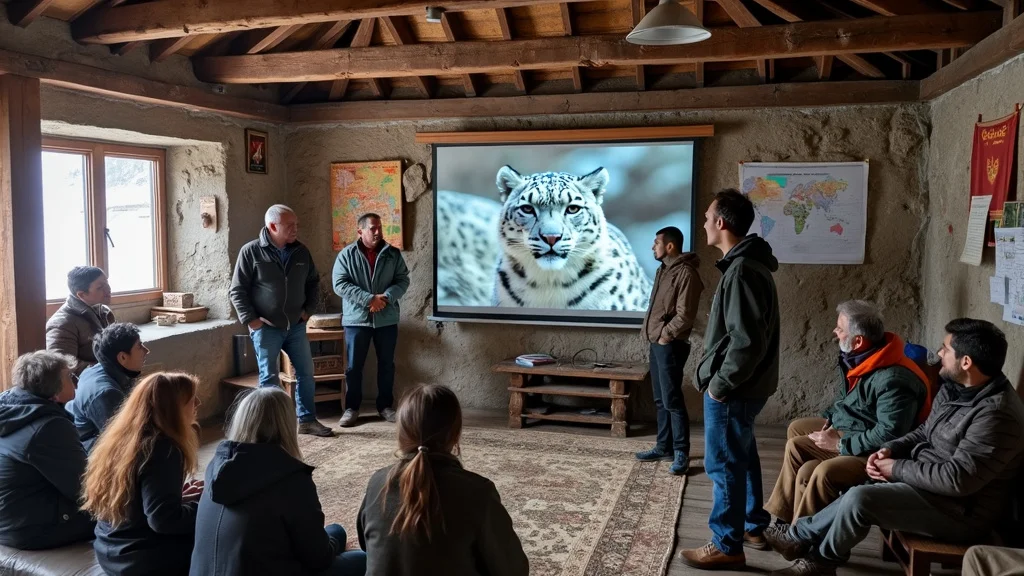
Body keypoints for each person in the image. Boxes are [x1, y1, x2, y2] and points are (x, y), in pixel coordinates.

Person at [766, 319, 1024, 576]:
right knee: (860, 487)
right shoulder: (958, 386)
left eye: (946, 349)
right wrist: (889, 449)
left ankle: (816, 557)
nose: (939, 353)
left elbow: (958, 480)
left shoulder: (997, 415)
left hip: (959, 512)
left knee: (860, 499)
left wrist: (896, 468)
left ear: (966, 362)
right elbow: (924, 431)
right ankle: (801, 540)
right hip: (927, 485)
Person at [679, 189, 780, 570]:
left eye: (707, 217)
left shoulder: (741, 271)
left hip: (734, 389)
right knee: (743, 455)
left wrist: (719, 386)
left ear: (721, 223)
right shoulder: (746, 265)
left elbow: (745, 342)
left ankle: (726, 543)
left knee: (723, 464)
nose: (704, 223)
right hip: (745, 386)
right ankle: (752, 525)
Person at [764, 300, 929, 530]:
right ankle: (786, 514)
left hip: (876, 448)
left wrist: (840, 445)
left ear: (858, 340)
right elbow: (849, 399)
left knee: (799, 451)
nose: (834, 332)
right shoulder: (864, 357)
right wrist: (831, 419)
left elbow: (890, 433)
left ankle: (795, 529)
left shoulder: (894, 379)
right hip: (857, 425)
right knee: (797, 427)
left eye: (840, 329)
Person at [190, 387, 367, 576]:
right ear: (287, 426)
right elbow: (319, 559)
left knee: (336, 531)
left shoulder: (214, 467)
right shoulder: (293, 479)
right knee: (363, 559)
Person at [357, 384, 528, 576]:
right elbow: (513, 569)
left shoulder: (378, 482)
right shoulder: (478, 492)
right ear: (455, 436)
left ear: (401, 433)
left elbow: (367, 545)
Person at [82, 372, 205, 576]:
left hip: (110, 550)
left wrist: (176, 499)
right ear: (172, 410)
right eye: (192, 400)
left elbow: (137, 502)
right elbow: (163, 521)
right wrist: (204, 507)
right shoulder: (163, 448)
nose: (198, 403)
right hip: (139, 558)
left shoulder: (122, 439)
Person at [230, 204, 333, 437]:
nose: (296, 229)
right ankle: (271, 429)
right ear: (273, 226)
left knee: (306, 373)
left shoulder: (301, 252)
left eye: (296, 224)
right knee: (269, 379)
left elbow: (314, 282)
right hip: (266, 328)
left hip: (296, 326)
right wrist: (251, 320)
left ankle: (306, 420)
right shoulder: (251, 252)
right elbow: (237, 290)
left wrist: (308, 311)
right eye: (290, 225)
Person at [0, 351, 95, 550]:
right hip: (29, 528)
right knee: (128, 511)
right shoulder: (48, 427)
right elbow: (85, 489)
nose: (75, 380)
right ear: (55, 391)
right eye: (69, 376)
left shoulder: (9, 404)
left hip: (10, 519)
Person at [636, 226, 703, 475]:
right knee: (660, 399)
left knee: (672, 400)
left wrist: (665, 336)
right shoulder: (662, 270)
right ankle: (663, 447)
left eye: (656, 243)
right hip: (656, 342)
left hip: (670, 345)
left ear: (670, 246)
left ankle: (681, 453)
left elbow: (685, 314)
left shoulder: (686, 273)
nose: (653, 247)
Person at [333, 213, 410, 428]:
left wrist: (385, 298)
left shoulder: (392, 254)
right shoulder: (346, 255)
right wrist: (369, 300)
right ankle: (352, 408)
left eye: (379, 227)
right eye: (372, 228)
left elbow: (403, 279)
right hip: (356, 321)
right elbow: (339, 284)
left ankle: (385, 407)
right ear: (360, 231)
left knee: (386, 365)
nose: (378, 232)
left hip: (386, 320)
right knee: (353, 367)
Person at [67, 322, 148, 453]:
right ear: (122, 357)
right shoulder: (105, 394)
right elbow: (122, 440)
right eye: (139, 347)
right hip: (88, 448)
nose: (146, 351)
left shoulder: (105, 368)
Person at [45, 266, 115, 377]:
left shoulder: (104, 311)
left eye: (106, 283)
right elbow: (62, 365)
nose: (108, 289)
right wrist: (105, 370)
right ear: (81, 294)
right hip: (88, 384)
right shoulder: (63, 323)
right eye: (100, 287)